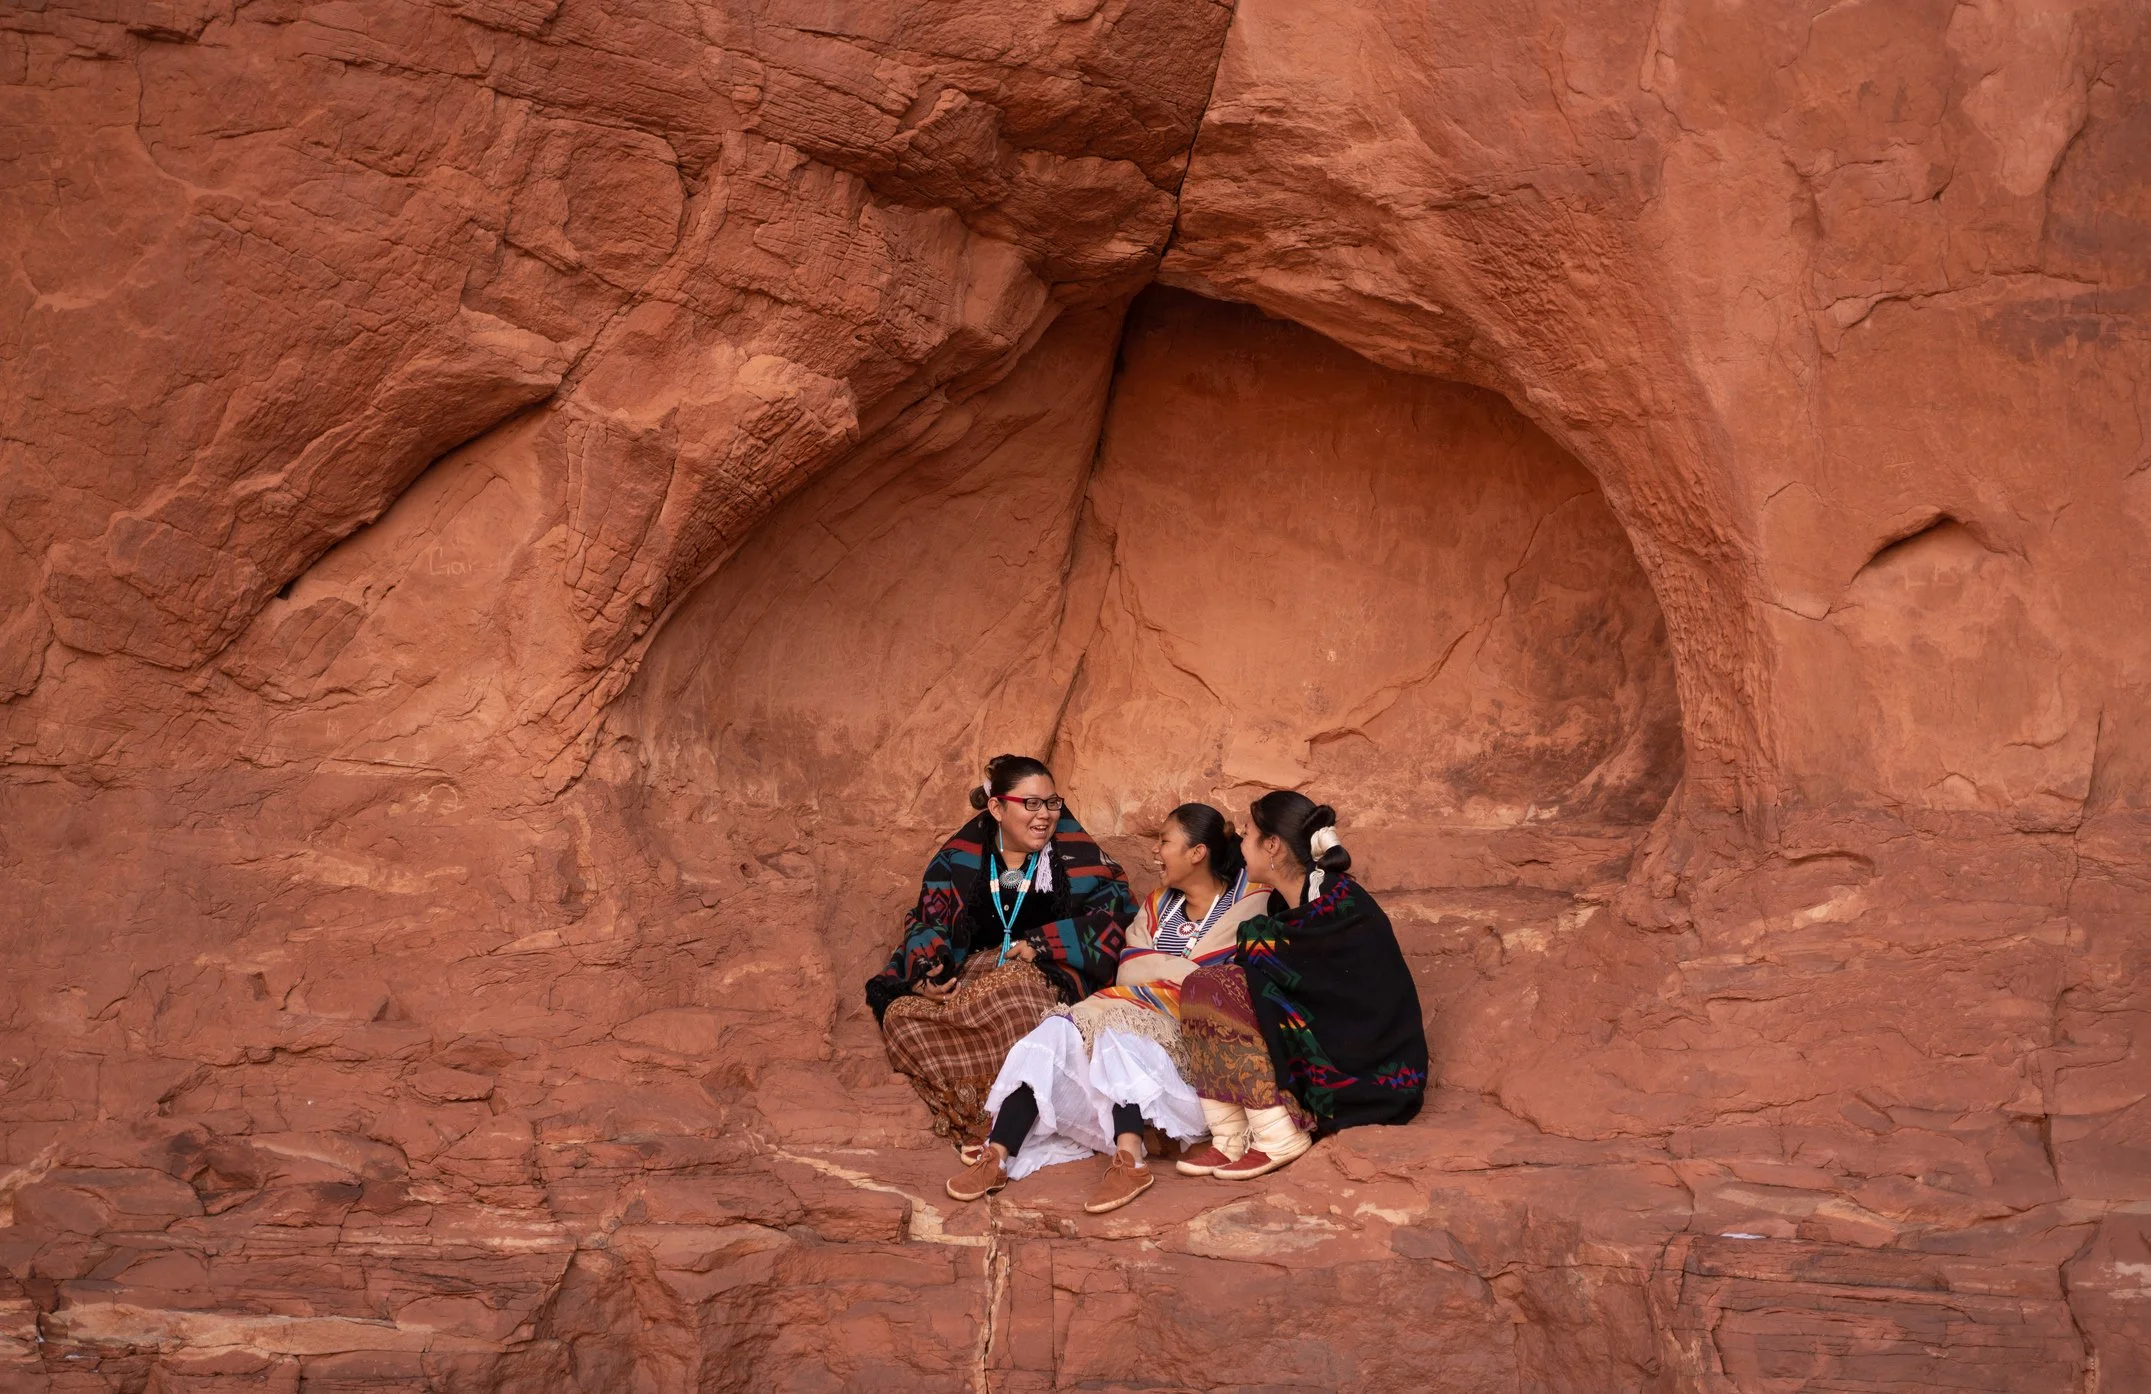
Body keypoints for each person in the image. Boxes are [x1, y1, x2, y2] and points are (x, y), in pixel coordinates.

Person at [945, 804, 1264, 1213]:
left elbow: (1223, 981)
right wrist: (1181, 974)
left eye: (1164, 841)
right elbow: (1129, 970)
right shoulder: (1156, 906)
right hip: (1132, 1027)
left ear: (1197, 852)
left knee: (1116, 1035)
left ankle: (1130, 1159)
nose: (1155, 852)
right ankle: (999, 1153)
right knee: (1055, 1030)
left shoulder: (1251, 903)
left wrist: (1171, 975)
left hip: (1192, 1060)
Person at [867, 755, 1134, 1147]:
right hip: (973, 979)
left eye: (1051, 803)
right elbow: (927, 919)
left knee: (1015, 1000)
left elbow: (1113, 916)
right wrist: (931, 973)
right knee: (900, 1016)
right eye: (1030, 804)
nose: (1044, 815)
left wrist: (1044, 944)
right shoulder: (959, 859)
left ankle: (1010, 1120)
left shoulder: (1076, 857)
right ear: (996, 807)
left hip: (1037, 980)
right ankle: (977, 1116)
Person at [1177, 791, 1428, 1180]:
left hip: (1369, 1075)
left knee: (1227, 983)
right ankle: (1230, 1136)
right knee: (1205, 984)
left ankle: (1279, 1133)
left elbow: (1336, 999)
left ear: (1272, 845)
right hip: (1331, 1054)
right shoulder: (1284, 906)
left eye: (1247, 834)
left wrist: (1252, 953)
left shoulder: (1342, 904)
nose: (1240, 845)